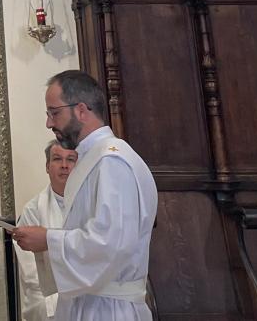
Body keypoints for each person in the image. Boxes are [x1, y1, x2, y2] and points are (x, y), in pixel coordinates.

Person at [10, 71, 157, 321]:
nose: (48, 123)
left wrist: (48, 240)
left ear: (80, 110)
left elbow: (110, 243)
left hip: (108, 309)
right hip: (90, 303)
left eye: (54, 112)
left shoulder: (112, 161)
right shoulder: (94, 158)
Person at [15, 142, 78, 320]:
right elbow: (31, 272)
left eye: (71, 160)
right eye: (57, 159)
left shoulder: (91, 204)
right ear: (47, 167)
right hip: (49, 298)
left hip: (87, 292)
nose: (64, 165)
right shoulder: (33, 210)